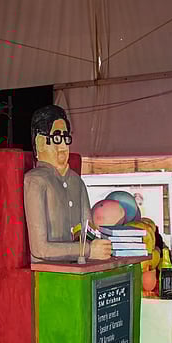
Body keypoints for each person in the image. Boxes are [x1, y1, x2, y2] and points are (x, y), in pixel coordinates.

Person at [23, 105, 111, 263]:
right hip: (48, 270)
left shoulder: (77, 182)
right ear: (40, 142)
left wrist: (99, 244)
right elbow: (40, 249)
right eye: (56, 138)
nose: (63, 146)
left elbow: (87, 232)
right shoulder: (36, 181)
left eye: (66, 138)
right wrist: (87, 250)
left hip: (78, 266)